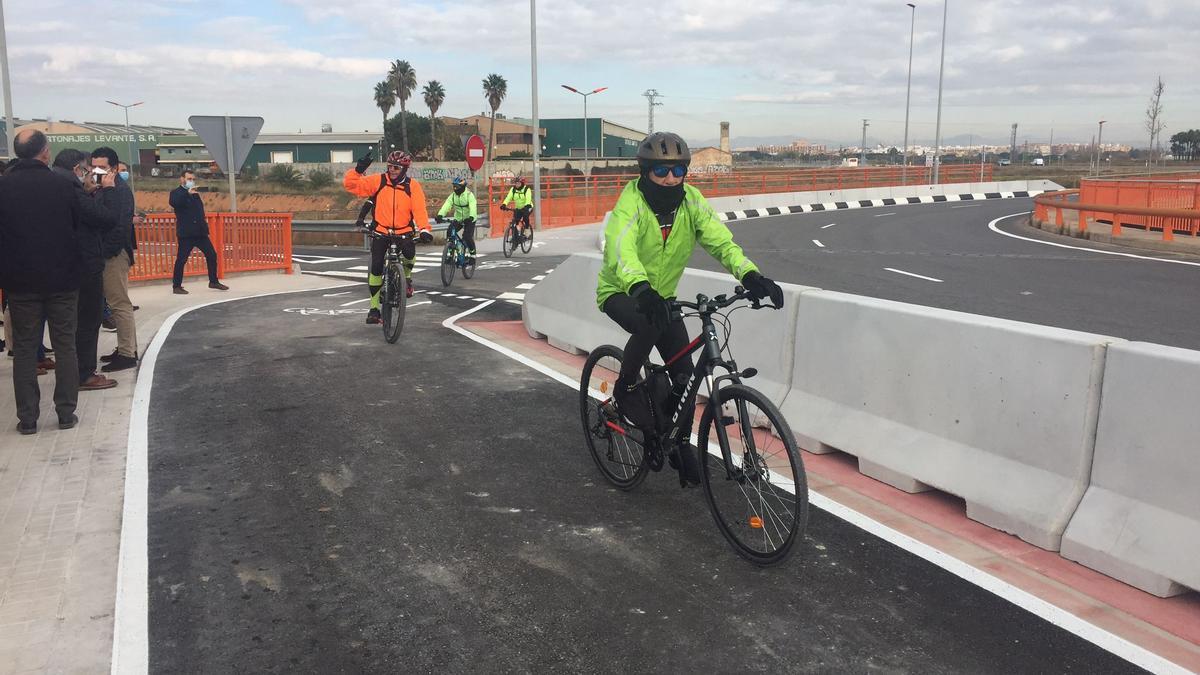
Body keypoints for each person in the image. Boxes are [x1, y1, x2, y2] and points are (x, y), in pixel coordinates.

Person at [596, 131, 784, 483]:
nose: (670, 179)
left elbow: (720, 240)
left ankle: (678, 440)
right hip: (622, 290)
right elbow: (621, 250)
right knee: (649, 325)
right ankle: (625, 388)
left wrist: (751, 275)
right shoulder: (631, 203)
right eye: (661, 172)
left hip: (662, 298)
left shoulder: (691, 202)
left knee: (684, 375)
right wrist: (641, 288)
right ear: (644, 171)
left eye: (678, 172)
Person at [0, 130, 83, 433]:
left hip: (20, 282)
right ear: (45, 152)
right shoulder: (62, 184)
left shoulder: (3, 186)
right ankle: (65, 413)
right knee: (65, 345)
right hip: (62, 279)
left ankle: (27, 419)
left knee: (24, 348)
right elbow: (77, 225)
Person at [50, 148, 119, 391]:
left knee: (68, 323)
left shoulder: (53, 187)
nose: (92, 174)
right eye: (88, 169)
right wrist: (108, 191)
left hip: (60, 266)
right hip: (85, 265)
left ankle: (71, 371)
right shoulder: (73, 192)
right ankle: (83, 374)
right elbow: (107, 218)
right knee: (87, 321)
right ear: (77, 170)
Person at [343, 150, 432, 325]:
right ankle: (374, 308)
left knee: (409, 254)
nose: (392, 170)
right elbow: (351, 185)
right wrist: (358, 170)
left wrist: (424, 229)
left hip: (404, 231)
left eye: (396, 167)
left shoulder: (412, 186)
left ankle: (406, 278)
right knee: (376, 267)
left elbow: (419, 210)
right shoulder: (378, 180)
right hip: (381, 231)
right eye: (390, 166)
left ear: (404, 168)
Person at [91, 147, 138, 372]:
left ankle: (128, 353)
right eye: (93, 166)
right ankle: (124, 348)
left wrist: (107, 252)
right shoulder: (104, 188)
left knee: (119, 304)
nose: (96, 170)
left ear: (114, 167)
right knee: (116, 302)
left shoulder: (119, 190)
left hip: (114, 254)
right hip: (108, 252)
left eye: (101, 166)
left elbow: (120, 226)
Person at [169, 169, 228, 294]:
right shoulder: (176, 193)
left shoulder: (195, 194)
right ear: (182, 179)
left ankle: (213, 281)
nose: (191, 181)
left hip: (200, 233)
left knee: (212, 255)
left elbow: (199, 211)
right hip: (186, 233)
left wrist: (204, 227)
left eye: (193, 179)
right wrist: (187, 194)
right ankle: (176, 286)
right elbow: (175, 203)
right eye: (189, 179)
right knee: (181, 259)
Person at [435, 177, 478, 262]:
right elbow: (447, 205)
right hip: (458, 219)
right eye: (454, 186)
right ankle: (451, 255)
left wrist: (471, 217)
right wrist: (440, 215)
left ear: (462, 187)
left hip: (469, 219)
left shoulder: (469, 195)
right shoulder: (453, 196)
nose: (455, 189)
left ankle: (473, 255)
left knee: (467, 236)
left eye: (457, 187)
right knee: (450, 232)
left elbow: (473, 207)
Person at [499, 176, 533, 243]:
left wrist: (526, 206)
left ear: (522, 183)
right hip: (518, 208)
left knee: (525, 217)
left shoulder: (526, 189)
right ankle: (516, 237)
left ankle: (527, 232)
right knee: (516, 220)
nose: (517, 185)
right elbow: (508, 197)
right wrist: (504, 204)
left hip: (528, 207)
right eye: (516, 183)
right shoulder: (513, 189)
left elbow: (528, 199)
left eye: (518, 183)